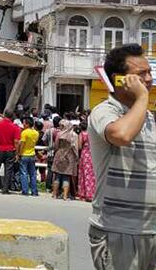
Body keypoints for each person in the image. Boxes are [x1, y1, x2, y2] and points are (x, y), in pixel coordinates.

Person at [87, 44, 155, 270]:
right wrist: (142, 97)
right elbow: (122, 135)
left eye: (150, 72)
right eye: (140, 74)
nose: (148, 79)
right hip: (118, 231)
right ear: (118, 79)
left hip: (150, 230)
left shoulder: (149, 119)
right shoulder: (104, 112)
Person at [0, 109, 20, 194]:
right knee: (8, 170)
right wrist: (17, 153)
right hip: (10, 150)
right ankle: (5, 189)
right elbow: (16, 142)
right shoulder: (15, 127)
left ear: (4, 114)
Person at [51, 120, 79, 200]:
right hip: (69, 156)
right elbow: (75, 148)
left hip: (59, 154)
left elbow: (56, 145)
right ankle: (65, 196)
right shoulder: (74, 135)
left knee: (57, 176)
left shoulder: (59, 134)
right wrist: (76, 157)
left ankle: (54, 194)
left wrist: (57, 152)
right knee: (66, 176)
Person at [17, 117, 40, 196]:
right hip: (32, 154)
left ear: (27, 124)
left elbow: (22, 144)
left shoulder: (24, 133)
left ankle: (25, 190)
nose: (23, 124)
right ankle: (34, 191)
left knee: (24, 173)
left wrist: (19, 154)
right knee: (33, 174)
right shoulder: (36, 133)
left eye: (24, 123)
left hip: (24, 154)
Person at [77, 121, 95, 202]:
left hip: (85, 154)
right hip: (92, 155)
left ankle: (83, 193)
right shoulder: (92, 134)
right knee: (91, 174)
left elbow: (80, 146)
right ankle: (91, 193)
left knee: (84, 174)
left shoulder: (82, 134)